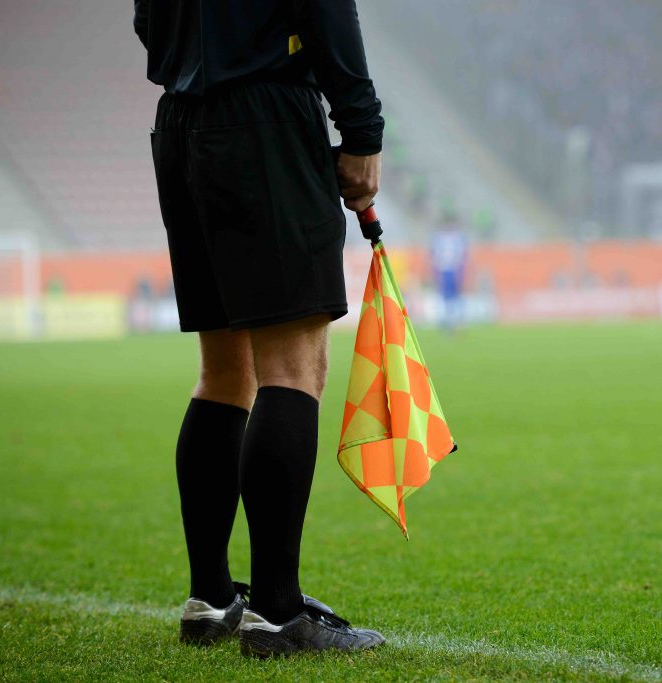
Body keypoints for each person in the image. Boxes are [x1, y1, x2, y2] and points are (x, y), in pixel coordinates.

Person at [133, 0, 385, 656]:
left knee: (224, 371)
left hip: (182, 125)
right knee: (293, 366)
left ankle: (210, 598)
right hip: (265, 119)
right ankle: (276, 612)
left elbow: (145, 19)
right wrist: (361, 130)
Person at [429, 209, 468, 333]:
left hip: (454, 269)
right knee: (445, 297)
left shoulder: (458, 237)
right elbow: (434, 255)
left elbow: (462, 255)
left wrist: (462, 271)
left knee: (456, 296)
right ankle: (448, 322)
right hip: (443, 270)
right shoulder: (438, 238)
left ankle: (457, 321)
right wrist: (435, 272)